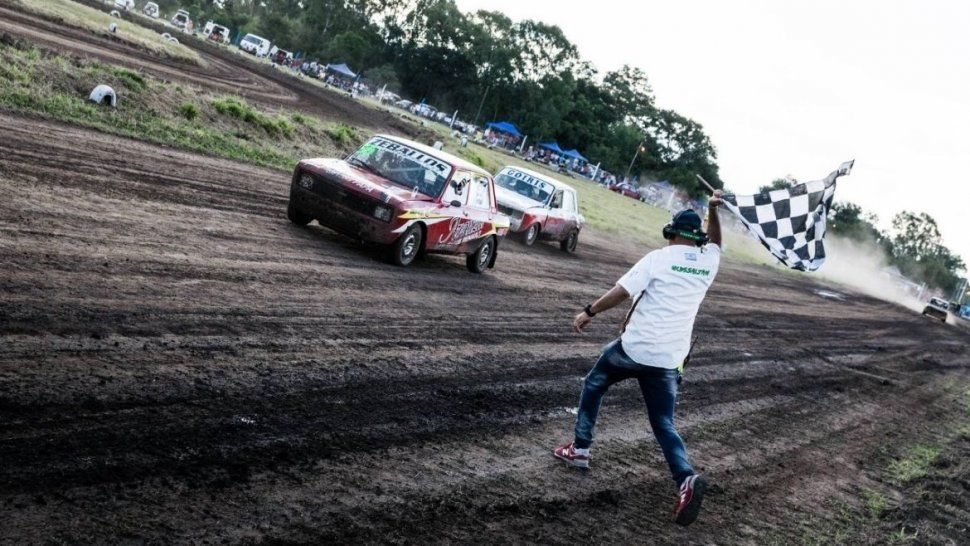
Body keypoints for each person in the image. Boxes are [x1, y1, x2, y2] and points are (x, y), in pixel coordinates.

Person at [553, 192, 724, 527]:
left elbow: (622, 291)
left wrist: (589, 311)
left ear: (672, 233)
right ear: (698, 238)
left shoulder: (658, 258)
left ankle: (581, 448)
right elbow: (716, 242)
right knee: (664, 424)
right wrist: (714, 211)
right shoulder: (708, 263)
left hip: (632, 350)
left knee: (594, 383)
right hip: (669, 359)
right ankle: (686, 480)